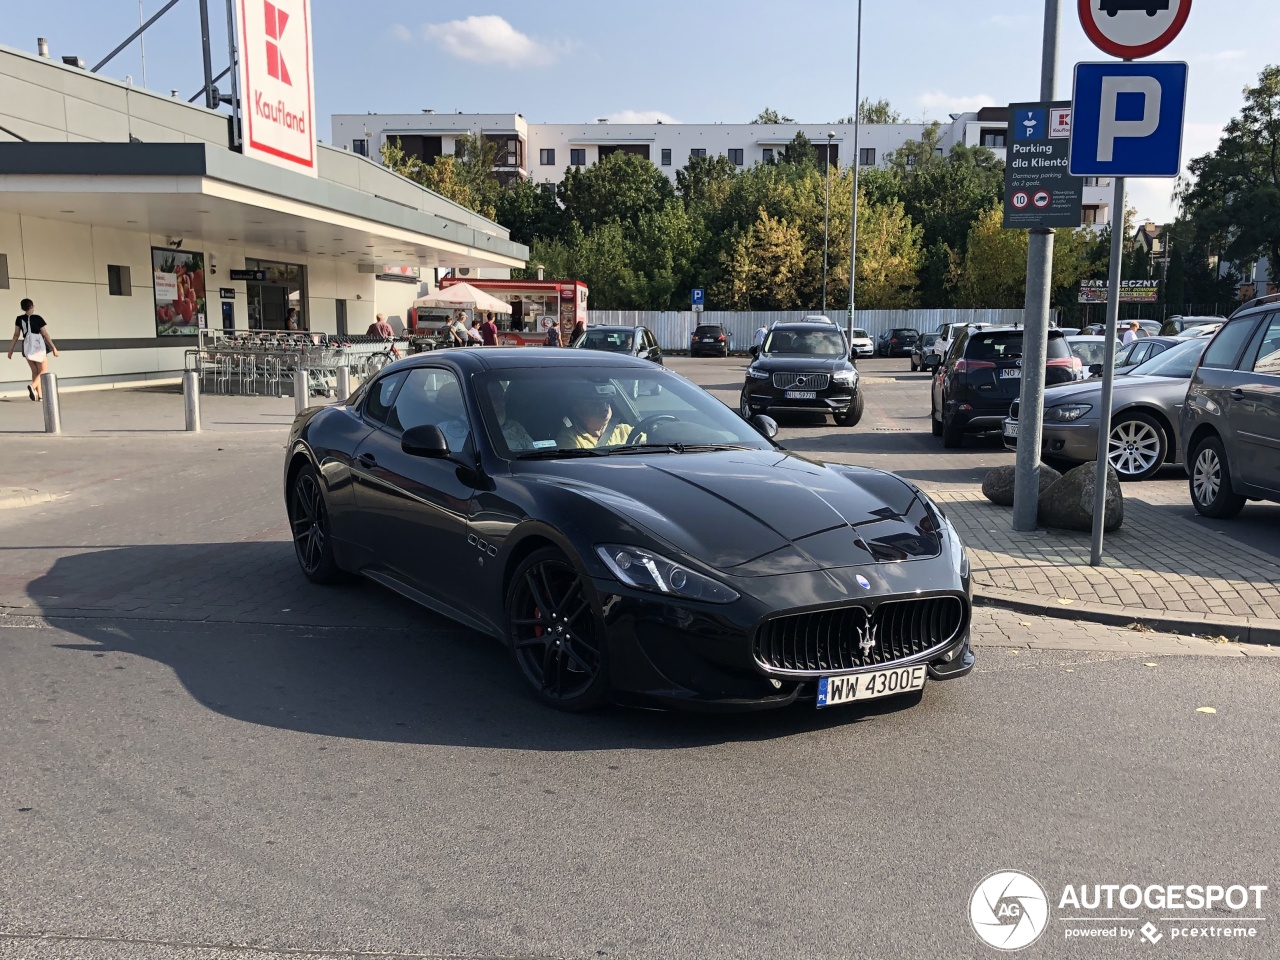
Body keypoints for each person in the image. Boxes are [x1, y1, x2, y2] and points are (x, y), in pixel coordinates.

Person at [8, 298, 59, 402]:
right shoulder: (38, 318)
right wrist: (53, 347)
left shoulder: (19, 319)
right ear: (31, 306)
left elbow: (16, 335)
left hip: (27, 346)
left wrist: (11, 350)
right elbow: (45, 333)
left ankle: (40, 396)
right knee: (43, 370)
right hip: (38, 345)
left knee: (35, 371)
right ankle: (32, 386)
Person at [557, 393, 633, 449]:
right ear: (579, 410)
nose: (604, 406)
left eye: (607, 401)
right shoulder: (569, 438)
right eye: (596, 403)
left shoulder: (625, 430)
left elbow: (644, 446)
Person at [486, 380, 535, 451]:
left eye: (502, 397)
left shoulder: (515, 427)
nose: (501, 403)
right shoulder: (471, 432)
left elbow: (533, 452)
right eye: (494, 398)